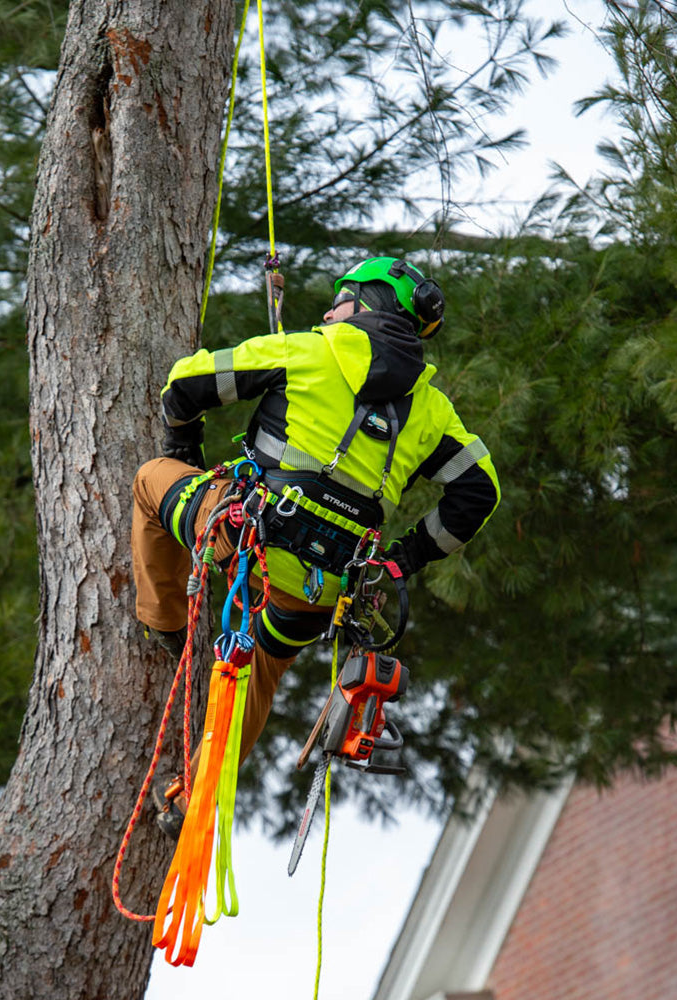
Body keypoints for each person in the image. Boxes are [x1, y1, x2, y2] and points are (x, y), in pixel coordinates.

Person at [130, 256, 500, 836]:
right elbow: (480, 492)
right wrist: (401, 561)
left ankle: (166, 622)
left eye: (343, 297)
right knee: (260, 667)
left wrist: (183, 447)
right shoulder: (430, 408)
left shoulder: (309, 349)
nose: (330, 309)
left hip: (240, 533)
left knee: (151, 480)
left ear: (369, 303)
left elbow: (185, 383)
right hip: (322, 589)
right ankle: (195, 798)